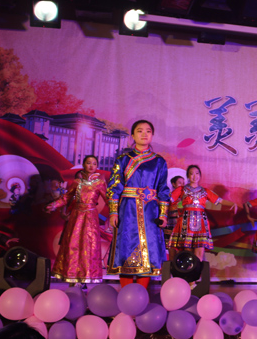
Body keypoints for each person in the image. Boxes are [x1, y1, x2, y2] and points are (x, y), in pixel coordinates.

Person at [107, 120, 170, 290]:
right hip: (127, 210)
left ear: (152, 135)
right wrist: (113, 212)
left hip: (151, 212)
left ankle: (142, 293)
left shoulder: (159, 161)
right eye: (140, 131)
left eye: (148, 131)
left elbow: (163, 189)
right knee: (126, 247)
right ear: (133, 135)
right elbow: (114, 187)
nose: (144, 134)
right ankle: (126, 294)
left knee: (149, 250)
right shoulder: (123, 160)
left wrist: (163, 214)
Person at [45, 155, 107, 285]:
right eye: (88, 163)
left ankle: (86, 277)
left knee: (89, 246)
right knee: (73, 245)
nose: (91, 166)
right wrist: (54, 204)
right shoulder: (77, 183)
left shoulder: (99, 183)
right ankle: (72, 276)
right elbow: (66, 198)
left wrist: (116, 212)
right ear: (83, 165)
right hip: (76, 216)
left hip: (90, 217)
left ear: (97, 166)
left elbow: (108, 200)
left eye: (94, 163)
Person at [169, 164, 238, 263]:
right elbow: (168, 199)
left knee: (199, 250)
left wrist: (233, 204)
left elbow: (219, 200)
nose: (194, 176)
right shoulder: (181, 189)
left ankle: (197, 272)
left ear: (200, 175)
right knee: (187, 250)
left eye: (197, 173)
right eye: (191, 174)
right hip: (186, 222)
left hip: (200, 223)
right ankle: (188, 272)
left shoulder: (205, 191)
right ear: (188, 176)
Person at [165, 175, 185, 258]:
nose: (182, 185)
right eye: (180, 183)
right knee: (171, 247)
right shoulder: (169, 196)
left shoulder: (185, 197)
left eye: (183, 183)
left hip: (182, 225)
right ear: (173, 184)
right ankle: (172, 264)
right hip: (171, 224)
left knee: (182, 248)